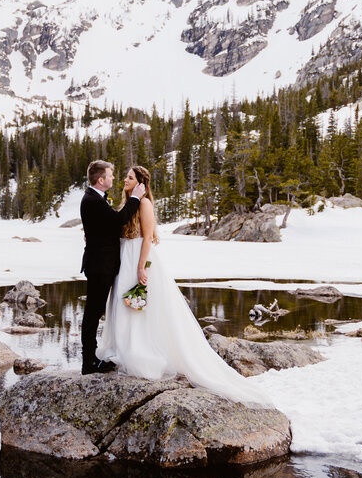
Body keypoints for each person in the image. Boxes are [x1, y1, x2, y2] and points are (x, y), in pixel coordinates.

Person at [97, 165, 271, 406]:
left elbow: (147, 236)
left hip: (138, 256)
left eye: (130, 178)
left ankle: (140, 352)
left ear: (141, 183)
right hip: (124, 258)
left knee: (138, 305)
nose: (124, 181)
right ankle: (123, 349)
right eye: (126, 177)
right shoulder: (127, 203)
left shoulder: (144, 203)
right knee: (123, 303)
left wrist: (141, 267)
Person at [80, 160, 145, 375]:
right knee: (93, 313)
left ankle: (91, 359)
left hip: (102, 263)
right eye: (110, 175)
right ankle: (88, 362)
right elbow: (118, 220)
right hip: (99, 265)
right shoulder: (92, 200)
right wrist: (135, 197)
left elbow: (105, 227)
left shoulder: (96, 199)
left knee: (95, 311)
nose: (114, 178)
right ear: (100, 180)